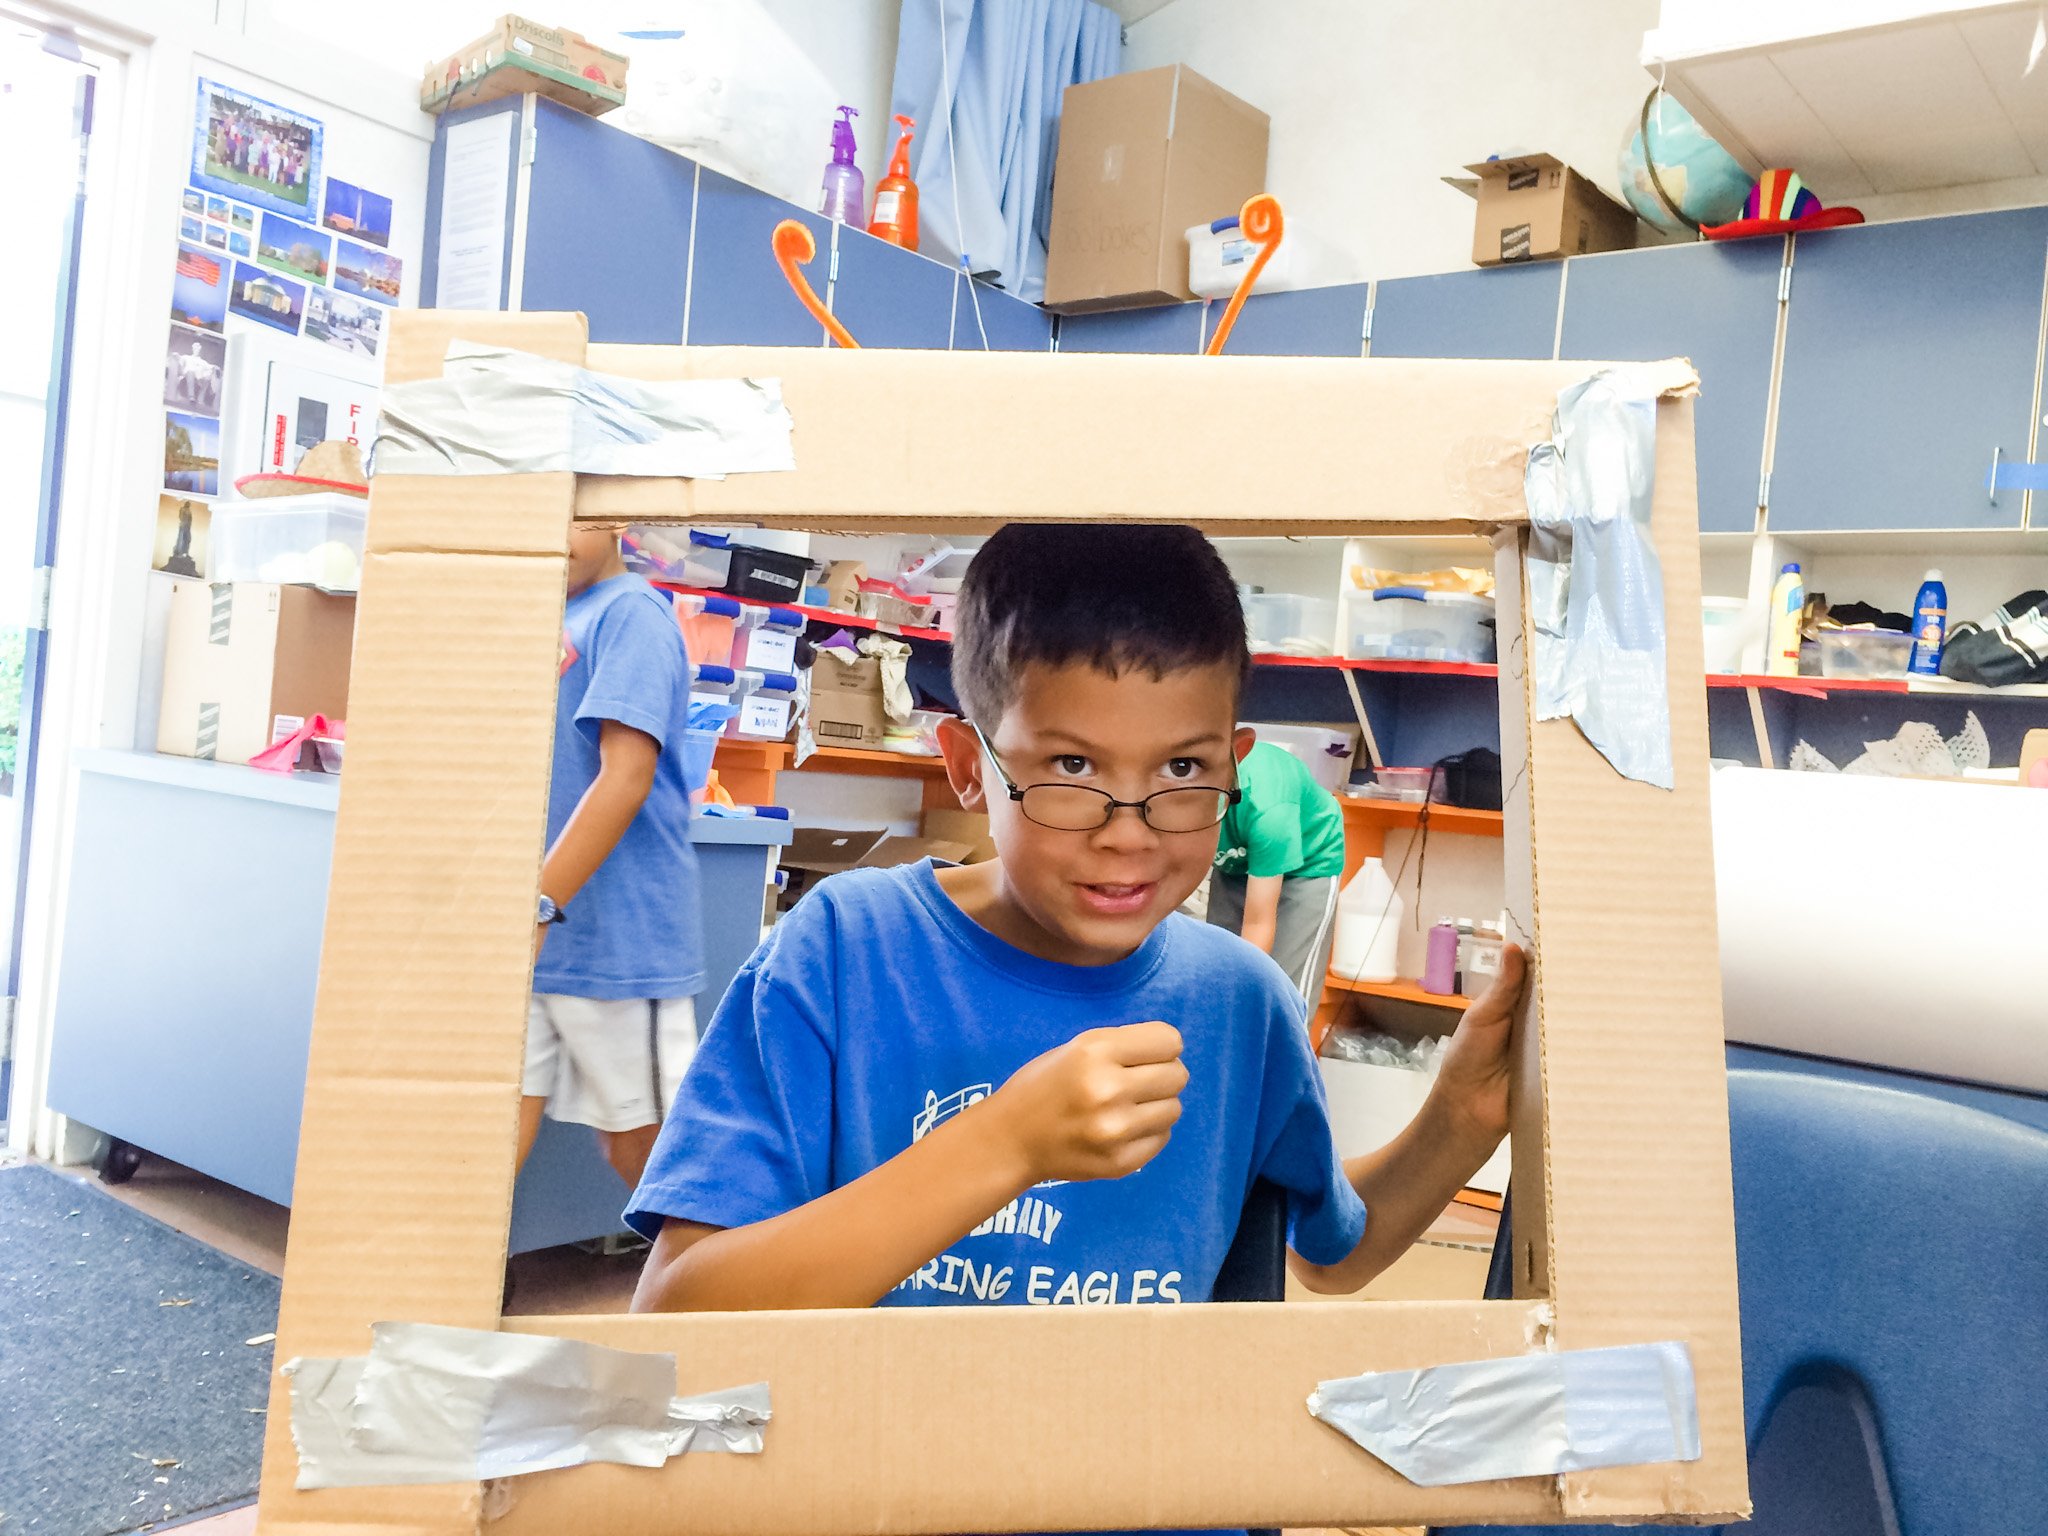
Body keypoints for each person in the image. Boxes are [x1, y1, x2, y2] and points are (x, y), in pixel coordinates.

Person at [627, 523, 1519, 1324]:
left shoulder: (1242, 1001)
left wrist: (1462, 1116)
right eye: (1070, 764)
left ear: (1235, 766)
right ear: (968, 766)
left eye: (1180, 766)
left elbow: (1334, 1255)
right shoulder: (843, 951)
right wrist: (1004, 1145)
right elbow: (678, 1308)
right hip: (881, 1484)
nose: (1127, 833)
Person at [518, 524, 703, 1191]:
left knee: (650, 1156)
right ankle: (437, 1288)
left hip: (618, 941)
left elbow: (625, 776)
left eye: (576, 514)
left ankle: (708, 1289)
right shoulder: (550, 612)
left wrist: (536, 906)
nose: (552, 532)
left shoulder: (630, 613)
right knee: (483, 1130)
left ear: (618, 518)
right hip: (531, 940)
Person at [1204, 738, 1346, 1004]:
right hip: (1235, 857)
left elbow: (1258, 921)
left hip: (1307, 862)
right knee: (1217, 973)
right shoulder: (1166, 798)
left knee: (1283, 992)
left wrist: (1243, 1003)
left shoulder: (1269, 810)